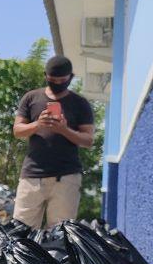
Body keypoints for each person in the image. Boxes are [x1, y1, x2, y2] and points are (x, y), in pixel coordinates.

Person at [12, 55, 96, 228]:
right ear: (46, 76)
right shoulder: (31, 98)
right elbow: (17, 130)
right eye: (53, 79)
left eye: (62, 80)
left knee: (61, 234)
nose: (57, 83)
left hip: (66, 178)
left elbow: (88, 140)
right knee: (21, 231)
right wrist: (37, 124)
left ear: (70, 78)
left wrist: (64, 130)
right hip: (32, 177)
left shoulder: (80, 103)